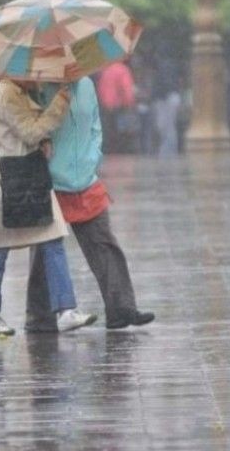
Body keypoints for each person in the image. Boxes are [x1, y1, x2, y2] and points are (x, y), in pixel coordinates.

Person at [26, 77, 156, 331]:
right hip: (50, 180)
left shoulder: (85, 84)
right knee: (44, 253)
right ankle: (39, 317)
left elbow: (95, 125)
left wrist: (94, 157)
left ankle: (121, 309)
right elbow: (32, 130)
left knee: (104, 243)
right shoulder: (38, 87)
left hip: (86, 179)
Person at [0, 78, 97, 336]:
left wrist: (44, 140)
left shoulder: (24, 91)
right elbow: (30, 132)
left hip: (31, 174)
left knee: (53, 238)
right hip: (8, 179)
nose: (37, 76)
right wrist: (60, 103)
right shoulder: (7, 93)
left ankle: (65, 310)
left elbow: (33, 132)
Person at [96, 61, 135, 152]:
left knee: (108, 132)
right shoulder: (122, 70)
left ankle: (109, 151)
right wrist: (129, 104)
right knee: (121, 133)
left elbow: (100, 89)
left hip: (105, 106)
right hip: (118, 106)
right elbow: (126, 89)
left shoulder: (105, 70)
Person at [152, 57, 182, 158]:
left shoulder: (162, 68)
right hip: (169, 97)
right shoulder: (173, 67)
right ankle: (169, 151)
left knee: (165, 127)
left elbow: (163, 84)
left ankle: (167, 152)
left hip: (165, 99)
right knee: (169, 127)